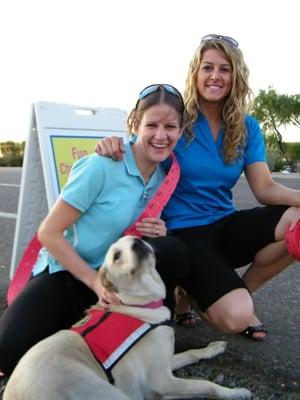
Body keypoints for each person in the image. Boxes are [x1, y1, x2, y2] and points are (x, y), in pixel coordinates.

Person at [94, 34, 300, 340]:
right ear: (196, 73)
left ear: (235, 76)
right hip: (184, 232)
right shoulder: (178, 117)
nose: (215, 76)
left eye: (224, 69)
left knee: (297, 222)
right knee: (233, 318)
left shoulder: (247, 127)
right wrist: (114, 145)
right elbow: (142, 143)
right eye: (207, 67)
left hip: (225, 222)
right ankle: (208, 296)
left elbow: (265, 188)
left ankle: (235, 294)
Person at [0, 84, 190, 376]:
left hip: (118, 280)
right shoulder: (101, 166)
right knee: (8, 354)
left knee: (173, 250)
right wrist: (94, 281)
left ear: (181, 129)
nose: (161, 135)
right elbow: (48, 233)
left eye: (170, 127)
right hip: (71, 274)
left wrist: (157, 228)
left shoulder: (166, 175)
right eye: (151, 124)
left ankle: (151, 333)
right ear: (134, 125)